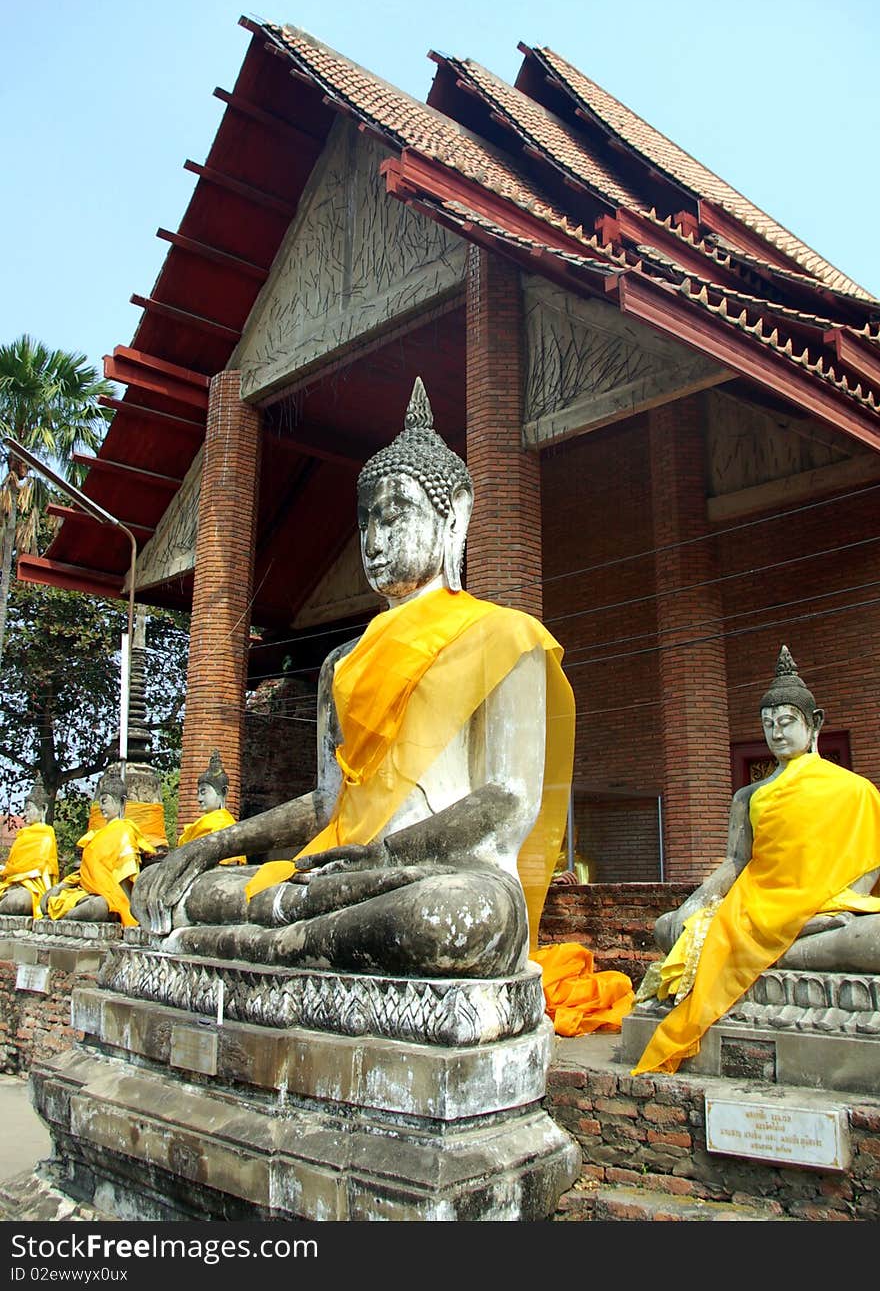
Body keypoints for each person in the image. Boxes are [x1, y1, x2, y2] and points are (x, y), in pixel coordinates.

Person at [133, 377, 577, 980]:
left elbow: (508, 799)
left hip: (440, 874)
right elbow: (327, 802)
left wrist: (384, 854)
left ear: (455, 521)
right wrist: (209, 844)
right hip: (342, 874)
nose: (374, 539)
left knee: (451, 918)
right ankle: (286, 943)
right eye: (365, 520)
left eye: (395, 516)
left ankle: (264, 949)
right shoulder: (342, 663)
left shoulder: (502, 637)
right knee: (196, 891)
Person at [632, 645, 880, 1076]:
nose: (777, 734)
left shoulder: (856, 792)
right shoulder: (749, 796)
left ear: (814, 724)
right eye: (768, 725)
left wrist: (830, 907)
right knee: (667, 928)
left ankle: (767, 953)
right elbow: (736, 863)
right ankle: (770, 952)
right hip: (753, 912)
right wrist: (694, 903)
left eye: (786, 723)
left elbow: (869, 865)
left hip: (827, 913)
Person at [41, 768, 156, 927]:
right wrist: (61, 886)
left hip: (110, 896)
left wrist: (131, 909)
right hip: (86, 892)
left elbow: (127, 873)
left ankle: (63, 918)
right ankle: (63, 916)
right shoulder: (95, 836)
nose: (101, 807)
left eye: (105, 801)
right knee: (52, 900)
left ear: (121, 802)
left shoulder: (125, 831)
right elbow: (83, 872)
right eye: (100, 801)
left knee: (98, 907)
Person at [0, 774, 58, 918]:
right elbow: (11, 867)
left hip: (33, 888)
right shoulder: (22, 835)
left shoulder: (46, 834)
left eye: (28, 809)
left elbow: (44, 868)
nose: (24, 815)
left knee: (19, 902)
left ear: (43, 809)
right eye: (24, 810)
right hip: (11, 884)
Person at [175, 750, 245, 865]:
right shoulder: (199, 826)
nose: (199, 799)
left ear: (224, 791)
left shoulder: (225, 826)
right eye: (198, 793)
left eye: (204, 792)